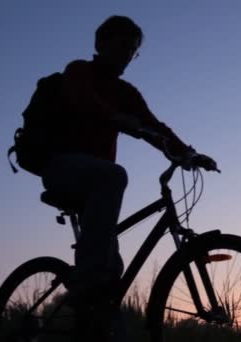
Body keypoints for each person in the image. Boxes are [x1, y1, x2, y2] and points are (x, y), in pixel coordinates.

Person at [39, 15, 217, 340]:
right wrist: (117, 117)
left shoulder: (126, 92)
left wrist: (188, 153)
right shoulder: (79, 71)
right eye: (123, 46)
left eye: (133, 51)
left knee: (112, 274)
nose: (127, 55)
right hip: (61, 167)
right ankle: (85, 285)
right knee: (114, 177)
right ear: (101, 43)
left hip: (96, 182)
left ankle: (94, 321)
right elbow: (84, 101)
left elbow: (154, 126)